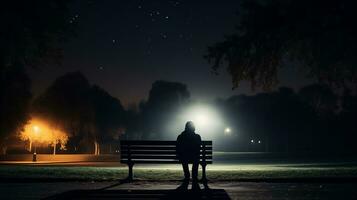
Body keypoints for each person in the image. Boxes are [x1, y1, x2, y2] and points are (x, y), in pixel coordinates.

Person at [176, 121, 202, 190]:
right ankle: (194, 176)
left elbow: (178, 148)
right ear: (194, 128)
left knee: (183, 157)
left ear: (185, 127)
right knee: (196, 158)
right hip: (194, 157)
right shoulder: (197, 137)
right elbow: (199, 148)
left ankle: (187, 175)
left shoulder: (181, 136)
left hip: (184, 157)